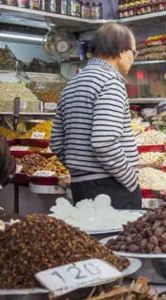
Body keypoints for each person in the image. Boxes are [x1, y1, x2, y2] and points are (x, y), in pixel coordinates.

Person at [50, 23, 141, 209]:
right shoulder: (110, 82)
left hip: (81, 187)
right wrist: (130, 179)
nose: (133, 58)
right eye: (134, 52)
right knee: (118, 238)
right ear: (121, 50)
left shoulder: (72, 83)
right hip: (111, 188)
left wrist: (80, 169)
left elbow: (57, 143)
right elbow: (104, 142)